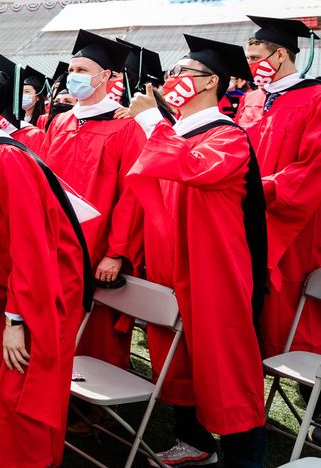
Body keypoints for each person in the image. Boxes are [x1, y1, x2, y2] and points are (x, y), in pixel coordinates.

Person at [0, 60, 91, 468]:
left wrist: (17, 319)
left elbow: (33, 247)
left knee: (23, 397)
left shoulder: (5, 159)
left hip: (36, 294)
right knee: (1, 388)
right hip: (0, 287)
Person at [128, 35, 268, 467]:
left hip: (214, 269)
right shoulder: (179, 131)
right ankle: (193, 441)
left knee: (225, 360)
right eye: (172, 74)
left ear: (211, 83)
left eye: (183, 73)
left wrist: (153, 121)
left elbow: (191, 168)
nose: (173, 80)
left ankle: (245, 458)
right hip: (172, 262)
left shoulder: (229, 136)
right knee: (179, 356)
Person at [25, 30, 146, 373]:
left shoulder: (126, 127)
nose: (74, 76)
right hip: (56, 241)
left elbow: (132, 195)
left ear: (106, 75)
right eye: (72, 69)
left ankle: (89, 411)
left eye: (83, 69)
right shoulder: (60, 122)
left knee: (96, 332)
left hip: (97, 247)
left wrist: (116, 252)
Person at [235, 16, 321, 361]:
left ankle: (304, 377)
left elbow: (314, 165)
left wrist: (261, 190)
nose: (251, 65)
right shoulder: (251, 100)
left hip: (293, 220)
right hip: (246, 213)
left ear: (281, 55)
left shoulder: (316, 97)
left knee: (289, 301)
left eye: (256, 57)